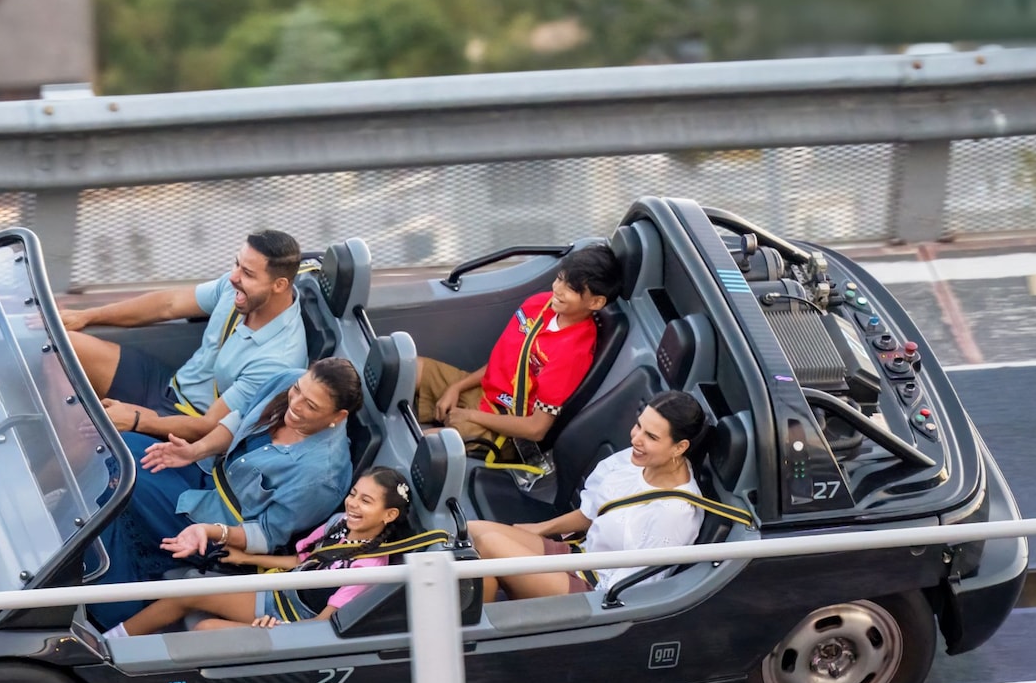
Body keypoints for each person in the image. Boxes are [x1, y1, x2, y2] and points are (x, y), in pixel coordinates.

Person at [89, 357, 363, 628]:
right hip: (206, 471)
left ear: (338, 417)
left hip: (219, 523)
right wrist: (193, 451)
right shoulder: (288, 379)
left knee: (120, 491)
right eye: (298, 391)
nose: (295, 403)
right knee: (118, 449)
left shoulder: (323, 476)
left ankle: (113, 611)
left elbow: (267, 536)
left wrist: (214, 532)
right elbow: (238, 422)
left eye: (311, 405)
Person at [467, 391, 744, 601]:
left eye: (651, 436)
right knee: (472, 532)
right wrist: (541, 529)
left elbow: (633, 591)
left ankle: (479, 641)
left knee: (491, 547)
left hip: (595, 592)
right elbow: (593, 512)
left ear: (678, 447)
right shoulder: (637, 459)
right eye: (638, 426)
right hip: (579, 556)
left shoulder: (674, 513)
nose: (636, 438)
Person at [104, 467, 422, 637]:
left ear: (389, 515)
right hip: (279, 592)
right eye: (353, 494)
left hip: (292, 620)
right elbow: (302, 561)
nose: (352, 504)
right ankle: (113, 641)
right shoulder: (339, 522)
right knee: (188, 591)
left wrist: (280, 629)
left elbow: (325, 624)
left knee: (205, 629)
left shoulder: (370, 570)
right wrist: (248, 558)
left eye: (366, 501)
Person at [62, 230, 309, 444]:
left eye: (247, 273)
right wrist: (87, 316)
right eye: (236, 264)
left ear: (279, 285)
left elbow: (210, 426)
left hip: (186, 422)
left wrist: (139, 421)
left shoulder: (277, 361)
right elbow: (168, 305)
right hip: (168, 383)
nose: (234, 277)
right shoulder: (236, 288)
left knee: (85, 439)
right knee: (63, 348)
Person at [415, 244, 621, 461]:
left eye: (571, 288)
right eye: (560, 278)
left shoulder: (572, 353)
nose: (557, 289)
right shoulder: (538, 305)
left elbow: (536, 429)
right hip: (485, 391)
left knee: (424, 443)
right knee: (411, 367)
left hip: (507, 426)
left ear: (596, 302)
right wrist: (456, 387)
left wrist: (471, 416)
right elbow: (505, 363)